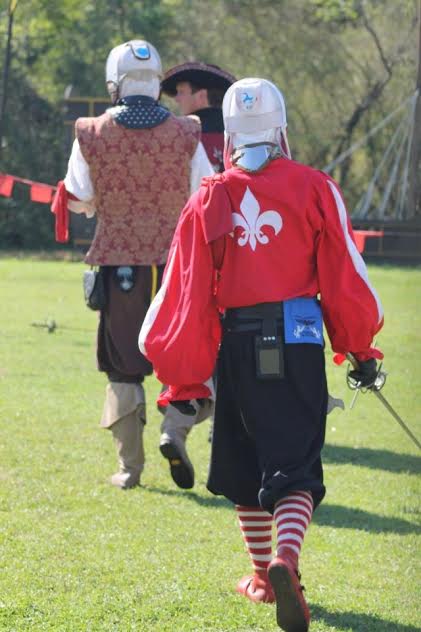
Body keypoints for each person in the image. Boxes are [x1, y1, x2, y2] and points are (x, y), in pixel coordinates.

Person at [138, 78, 384, 631]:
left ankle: (259, 576)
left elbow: (184, 292)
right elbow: (346, 278)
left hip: (237, 344)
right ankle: (284, 562)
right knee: (294, 467)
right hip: (296, 343)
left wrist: (184, 377)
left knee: (244, 466)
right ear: (281, 128)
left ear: (228, 133)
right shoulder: (316, 187)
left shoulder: (209, 196)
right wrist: (359, 349)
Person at [54, 40, 214, 490]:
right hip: (176, 266)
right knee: (183, 359)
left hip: (118, 264)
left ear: (113, 81)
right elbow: (203, 192)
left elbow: (80, 196)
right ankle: (173, 431)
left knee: (122, 365)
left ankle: (129, 468)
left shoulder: (91, 131)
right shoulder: (186, 132)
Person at [161, 62, 236, 173]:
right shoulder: (238, 132)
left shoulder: (183, 134)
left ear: (201, 96)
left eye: (181, 92)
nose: (176, 98)